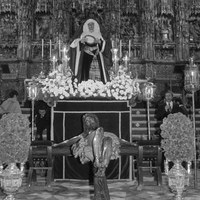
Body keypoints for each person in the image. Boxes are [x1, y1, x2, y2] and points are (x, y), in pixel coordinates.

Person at [70, 18, 112, 83]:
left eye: (92, 25)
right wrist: (81, 42)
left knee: (98, 72)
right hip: (85, 57)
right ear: (87, 26)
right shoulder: (83, 35)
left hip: (96, 56)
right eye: (89, 25)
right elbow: (75, 46)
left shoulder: (98, 34)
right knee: (85, 72)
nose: (91, 26)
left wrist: (99, 42)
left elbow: (104, 46)